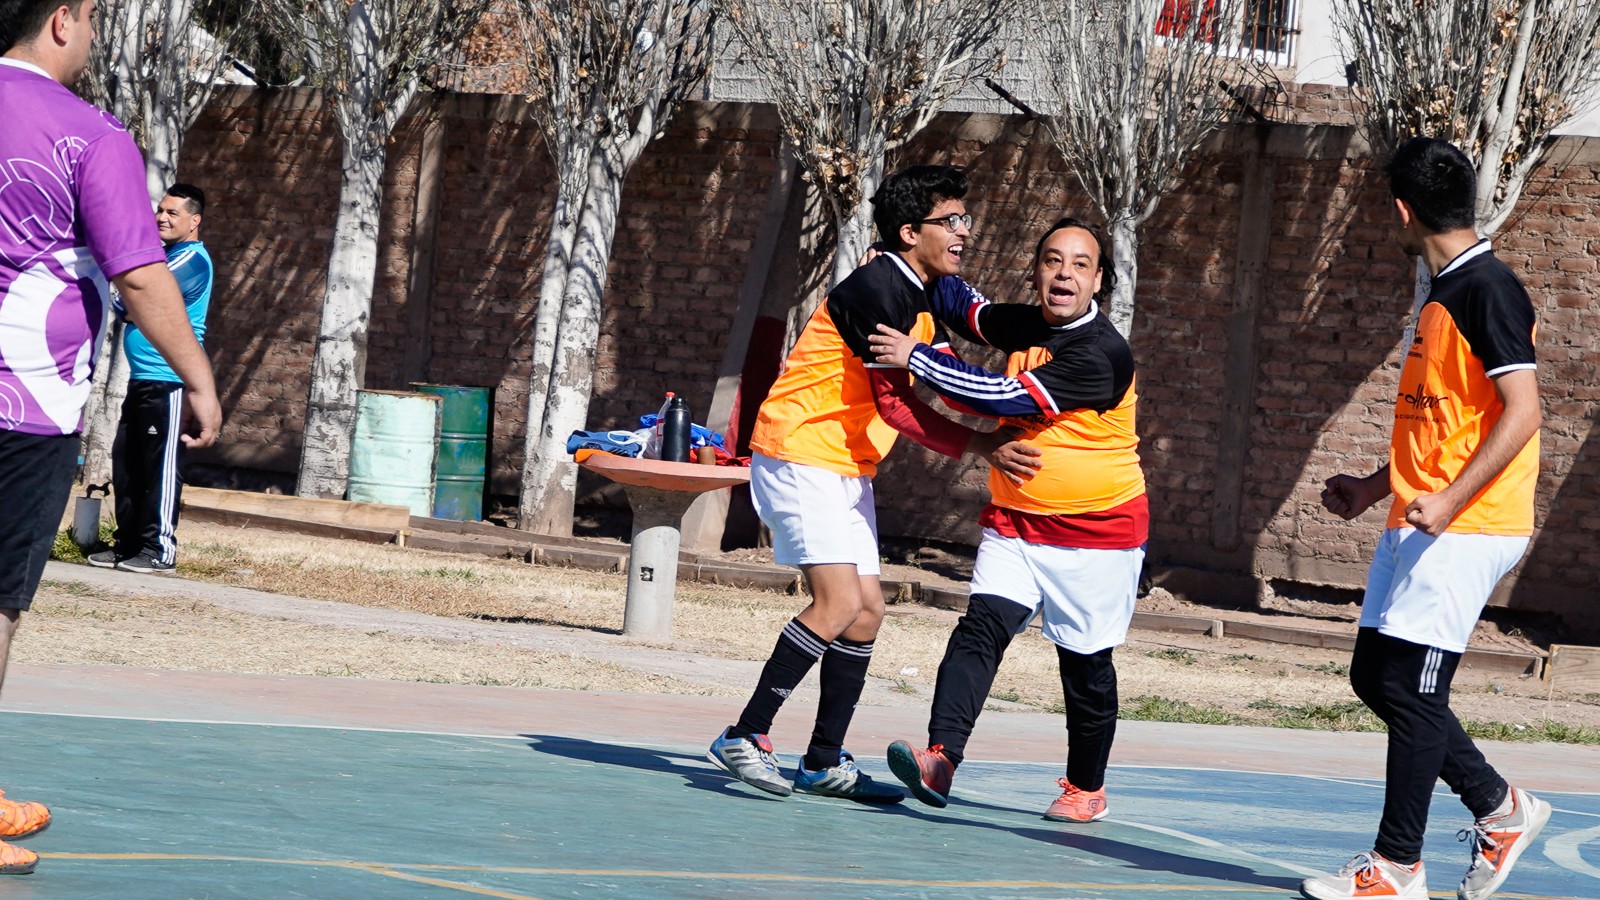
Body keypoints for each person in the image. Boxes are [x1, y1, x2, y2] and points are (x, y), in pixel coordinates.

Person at [705, 165, 1041, 803]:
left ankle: (822, 761)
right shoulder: (879, 290)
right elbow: (897, 408)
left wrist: (1071, 322)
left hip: (843, 464)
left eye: (965, 219)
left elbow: (988, 324)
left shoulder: (925, 285)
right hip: (801, 451)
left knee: (867, 612)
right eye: (952, 222)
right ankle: (744, 735)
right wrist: (982, 444)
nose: (964, 232)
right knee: (836, 606)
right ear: (911, 232)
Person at [0, 0, 222, 875]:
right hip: (23, 407)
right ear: (63, 20)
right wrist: (199, 378)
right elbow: (137, 274)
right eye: (92, 19)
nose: (91, 37)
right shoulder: (90, 135)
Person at [1300, 137, 1548, 900]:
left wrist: (1447, 500)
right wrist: (1378, 487)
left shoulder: (1487, 289)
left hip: (1467, 525)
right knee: (1376, 676)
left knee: (1415, 690)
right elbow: (1445, 423)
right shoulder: (1444, 289)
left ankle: (1397, 867)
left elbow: (1524, 411)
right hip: (1422, 518)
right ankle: (1499, 808)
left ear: (1404, 211)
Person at [868, 218, 1146, 824]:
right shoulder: (1028, 322)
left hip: (1097, 536)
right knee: (979, 631)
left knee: (1085, 666)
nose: (1064, 273)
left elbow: (1000, 397)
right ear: (1039, 269)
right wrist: (906, 253)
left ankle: (1085, 786)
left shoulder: (1101, 353)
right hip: (1017, 523)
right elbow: (967, 310)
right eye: (1052, 260)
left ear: (1098, 279)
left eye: (1079, 264)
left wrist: (917, 354)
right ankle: (940, 757)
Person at [88, 184, 214, 574]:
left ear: (194, 221)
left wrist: (127, 296)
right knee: (128, 464)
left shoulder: (192, 259)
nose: (162, 217)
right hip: (142, 379)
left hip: (169, 380)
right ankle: (128, 545)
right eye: (160, 210)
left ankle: (159, 549)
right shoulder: (165, 257)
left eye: (173, 213)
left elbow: (132, 300)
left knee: (159, 468)